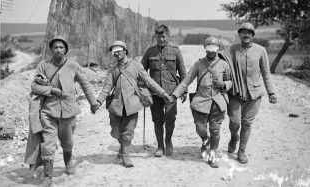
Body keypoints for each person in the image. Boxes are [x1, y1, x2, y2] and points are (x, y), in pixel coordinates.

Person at [31, 36, 99, 186]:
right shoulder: (43, 65)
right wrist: (51, 90)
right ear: (51, 50)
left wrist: (93, 103)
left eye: (61, 47)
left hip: (68, 112)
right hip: (48, 112)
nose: (58, 50)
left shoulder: (72, 66)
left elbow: (85, 84)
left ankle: (68, 162)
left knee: (67, 142)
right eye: (55, 47)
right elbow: (34, 87)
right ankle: (48, 175)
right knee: (47, 143)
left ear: (66, 50)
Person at [94, 40, 171, 168]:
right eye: (114, 51)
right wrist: (98, 101)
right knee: (115, 132)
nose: (116, 53)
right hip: (116, 106)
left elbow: (149, 81)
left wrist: (163, 93)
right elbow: (106, 88)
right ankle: (123, 146)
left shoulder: (136, 66)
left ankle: (125, 154)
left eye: (119, 50)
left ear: (125, 51)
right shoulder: (113, 70)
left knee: (128, 132)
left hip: (132, 105)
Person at [219, 22, 277, 164]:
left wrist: (271, 92)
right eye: (243, 32)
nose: (246, 35)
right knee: (235, 122)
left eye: (249, 33)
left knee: (247, 123)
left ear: (252, 35)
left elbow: (266, 73)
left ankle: (242, 151)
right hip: (235, 93)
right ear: (239, 34)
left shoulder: (261, 50)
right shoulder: (231, 50)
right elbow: (219, 61)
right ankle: (234, 137)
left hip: (254, 95)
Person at [170, 36, 232, 168]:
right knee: (200, 128)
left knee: (215, 130)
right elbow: (186, 81)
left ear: (217, 49)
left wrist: (224, 84)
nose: (210, 52)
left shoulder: (224, 64)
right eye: (208, 49)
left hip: (217, 102)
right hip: (200, 101)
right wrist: (175, 95)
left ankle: (213, 152)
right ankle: (205, 140)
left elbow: (230, 82)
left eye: (213, 49)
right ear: (204, 49)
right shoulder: (198, 64)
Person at [141, 24, 186, 157]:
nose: (161, 39)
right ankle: (160, 146)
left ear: (168, 36)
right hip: (154, 93)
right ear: (156, 37)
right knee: (157, 120)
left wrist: (184, 91)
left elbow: (183, 72)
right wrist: (142, 87)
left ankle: (168, 142)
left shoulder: (175, 51)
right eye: (159, 36)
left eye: (164, 36)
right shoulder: (150, 52)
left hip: (171, 92)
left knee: (171, 118)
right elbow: (141, 71)